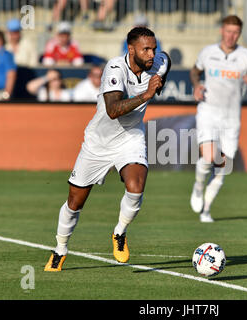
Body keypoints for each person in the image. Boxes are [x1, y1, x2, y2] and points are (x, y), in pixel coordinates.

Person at [44, 27, 171, 271]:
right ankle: (60, 249)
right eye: (146, 49)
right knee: (75, 201)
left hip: (130, 138)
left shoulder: (159, 62)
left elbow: (166, 62)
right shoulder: (114, 67)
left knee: (136, 187)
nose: (152, 54)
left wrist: (158, 83)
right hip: (98, 142)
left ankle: (119, 232)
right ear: (131, 49)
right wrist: (147, 94)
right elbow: (113, 111)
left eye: (153, 48)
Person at [189, 15, 247, 223]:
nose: (231, 36)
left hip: (231, 118)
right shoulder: (208, 52)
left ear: (239, 34)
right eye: (228, 31)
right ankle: (198, 187)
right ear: (221, 31)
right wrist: (196, 85)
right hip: (208, 111)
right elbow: (194, 71)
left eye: (235, 32)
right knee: (208, 157)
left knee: (222, 167)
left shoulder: (245, 56)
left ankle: (206, 210)